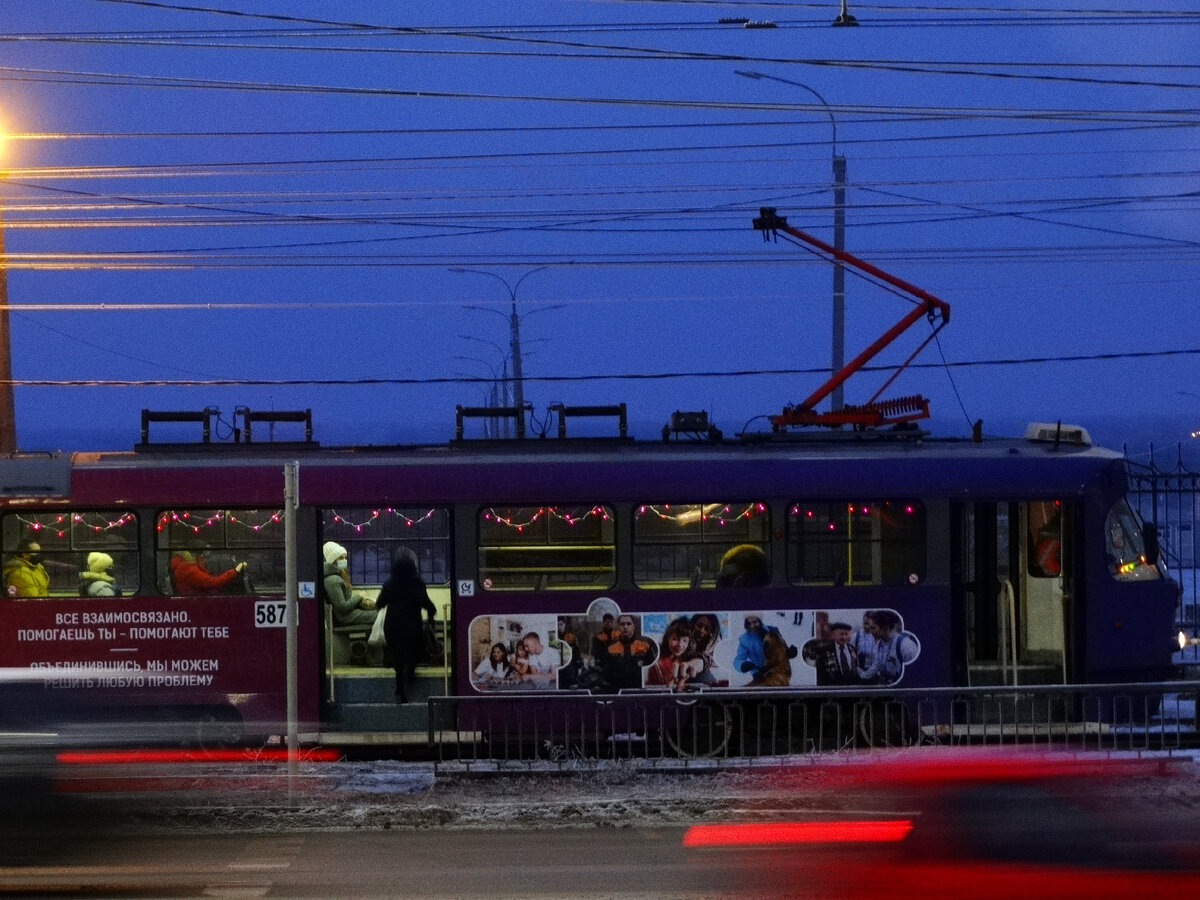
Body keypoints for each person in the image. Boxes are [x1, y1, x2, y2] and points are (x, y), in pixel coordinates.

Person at [376, 547, 437, 703]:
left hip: (392, 625)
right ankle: (410, 674)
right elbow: (427, 604)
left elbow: (379, 603)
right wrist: (431, 615)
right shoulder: (416, 583)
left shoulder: (389, 584)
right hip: (411, 625)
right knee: (412, 653)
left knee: (397, 658)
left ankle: (399, 690)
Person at [321, 541, 376, 626]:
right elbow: (342, 607)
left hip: (348, 614)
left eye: (345, 557)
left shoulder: (337, 577)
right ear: (332, 561)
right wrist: (359, 596)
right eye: (341, 558)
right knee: (381, 615)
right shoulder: (333, 580)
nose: (344, 560)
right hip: (345, 617)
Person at [601, 614, 656, 691]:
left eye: (628, 624)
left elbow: (652, 669)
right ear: (619, 627)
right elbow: (607, 673)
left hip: (639, 689)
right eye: (622, 624)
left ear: (633, 626)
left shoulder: (645, 644)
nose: (625, 627)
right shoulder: (610, 647)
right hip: (617, 689)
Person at [647, 617, 702, 691]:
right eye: (675, 639)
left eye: (685, 640)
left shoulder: (688, 660)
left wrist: (684, 679)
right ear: (667, 638)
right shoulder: (657, 659)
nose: (680, 644)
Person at [169, 549, 245, 595]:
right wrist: (235, 571)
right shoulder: (188, 569)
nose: (204, 557)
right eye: (202, 554)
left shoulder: (183, 567)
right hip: (199, 600)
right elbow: (213, 583)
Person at [813, 622, 861, 687]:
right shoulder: (824, 651)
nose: (844, 637)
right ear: (833, 635)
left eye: (846, 634)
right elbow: (820, 675)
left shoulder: (852, 649)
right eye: (841, 634)